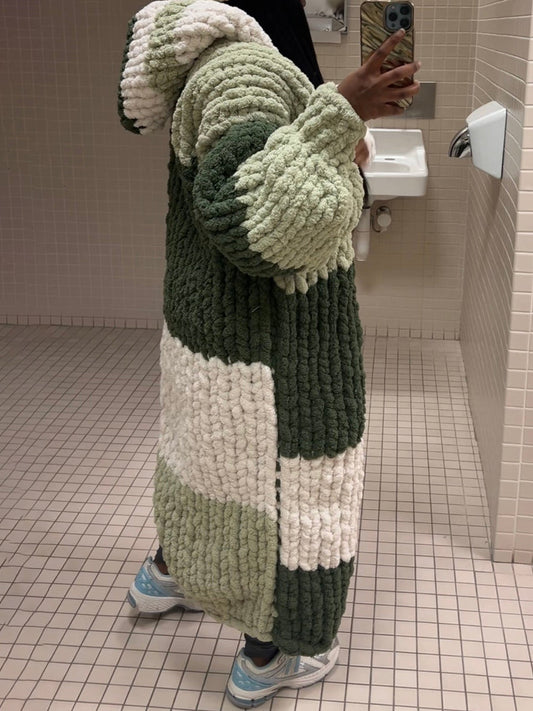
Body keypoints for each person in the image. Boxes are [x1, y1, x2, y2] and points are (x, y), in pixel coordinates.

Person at [118, 0, 420, 707]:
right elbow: (260, 220)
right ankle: (272, 652)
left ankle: (170, 571)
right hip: (276, 348)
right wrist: (340, 116)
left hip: (213, 331)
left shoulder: (206, 63)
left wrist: (332, 123)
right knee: (291, 497)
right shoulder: (246, 72)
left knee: (206, 459)